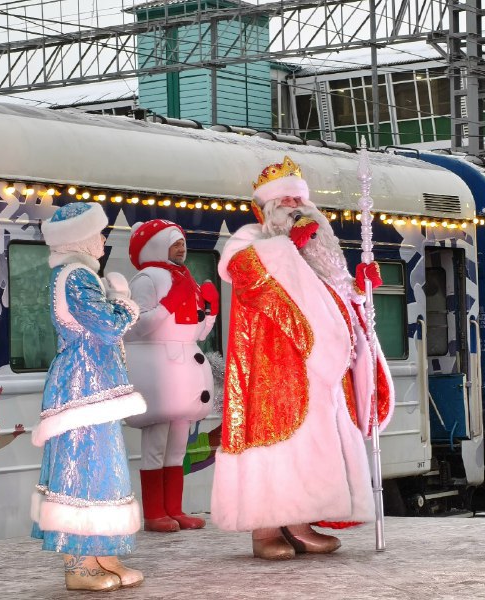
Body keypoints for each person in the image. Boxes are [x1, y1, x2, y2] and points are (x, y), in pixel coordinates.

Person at [210, 155, 394, 560]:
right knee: (274, 445)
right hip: (272, 369)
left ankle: (299, 520)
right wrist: (287, 248)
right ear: (266, 207)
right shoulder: (248, 241)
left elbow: (335, 301)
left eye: (300, 200)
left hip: (320, 373)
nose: (295, 206)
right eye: (286, 201)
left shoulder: (319, 250)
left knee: (311, 446)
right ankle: (264, 528)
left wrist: (359, 290)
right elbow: (249, 277)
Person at [30, 202, 147, 592]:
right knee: (83, 470)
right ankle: (80, 565)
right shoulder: (76, 276)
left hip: (91, 387)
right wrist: (125, 304)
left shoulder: (75, 275)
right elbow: (108, 326)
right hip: (83, 387)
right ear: (80, 237)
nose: (103, 239)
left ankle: (102, 556)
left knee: (101, 469)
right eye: (98, 233)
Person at [123, 219, 218, 532]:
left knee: (178, 445)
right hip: (159, 369)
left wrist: (211, 313)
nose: (182, 248)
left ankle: (174, 509)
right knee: (155, 444)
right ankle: (154, 512)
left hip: (184, 369)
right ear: (158, 245)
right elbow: (136, 326)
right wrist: (168, 304)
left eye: (182, 243)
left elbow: (197, 333)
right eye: (175, 243)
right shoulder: (147, 279)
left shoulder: (184, 278)